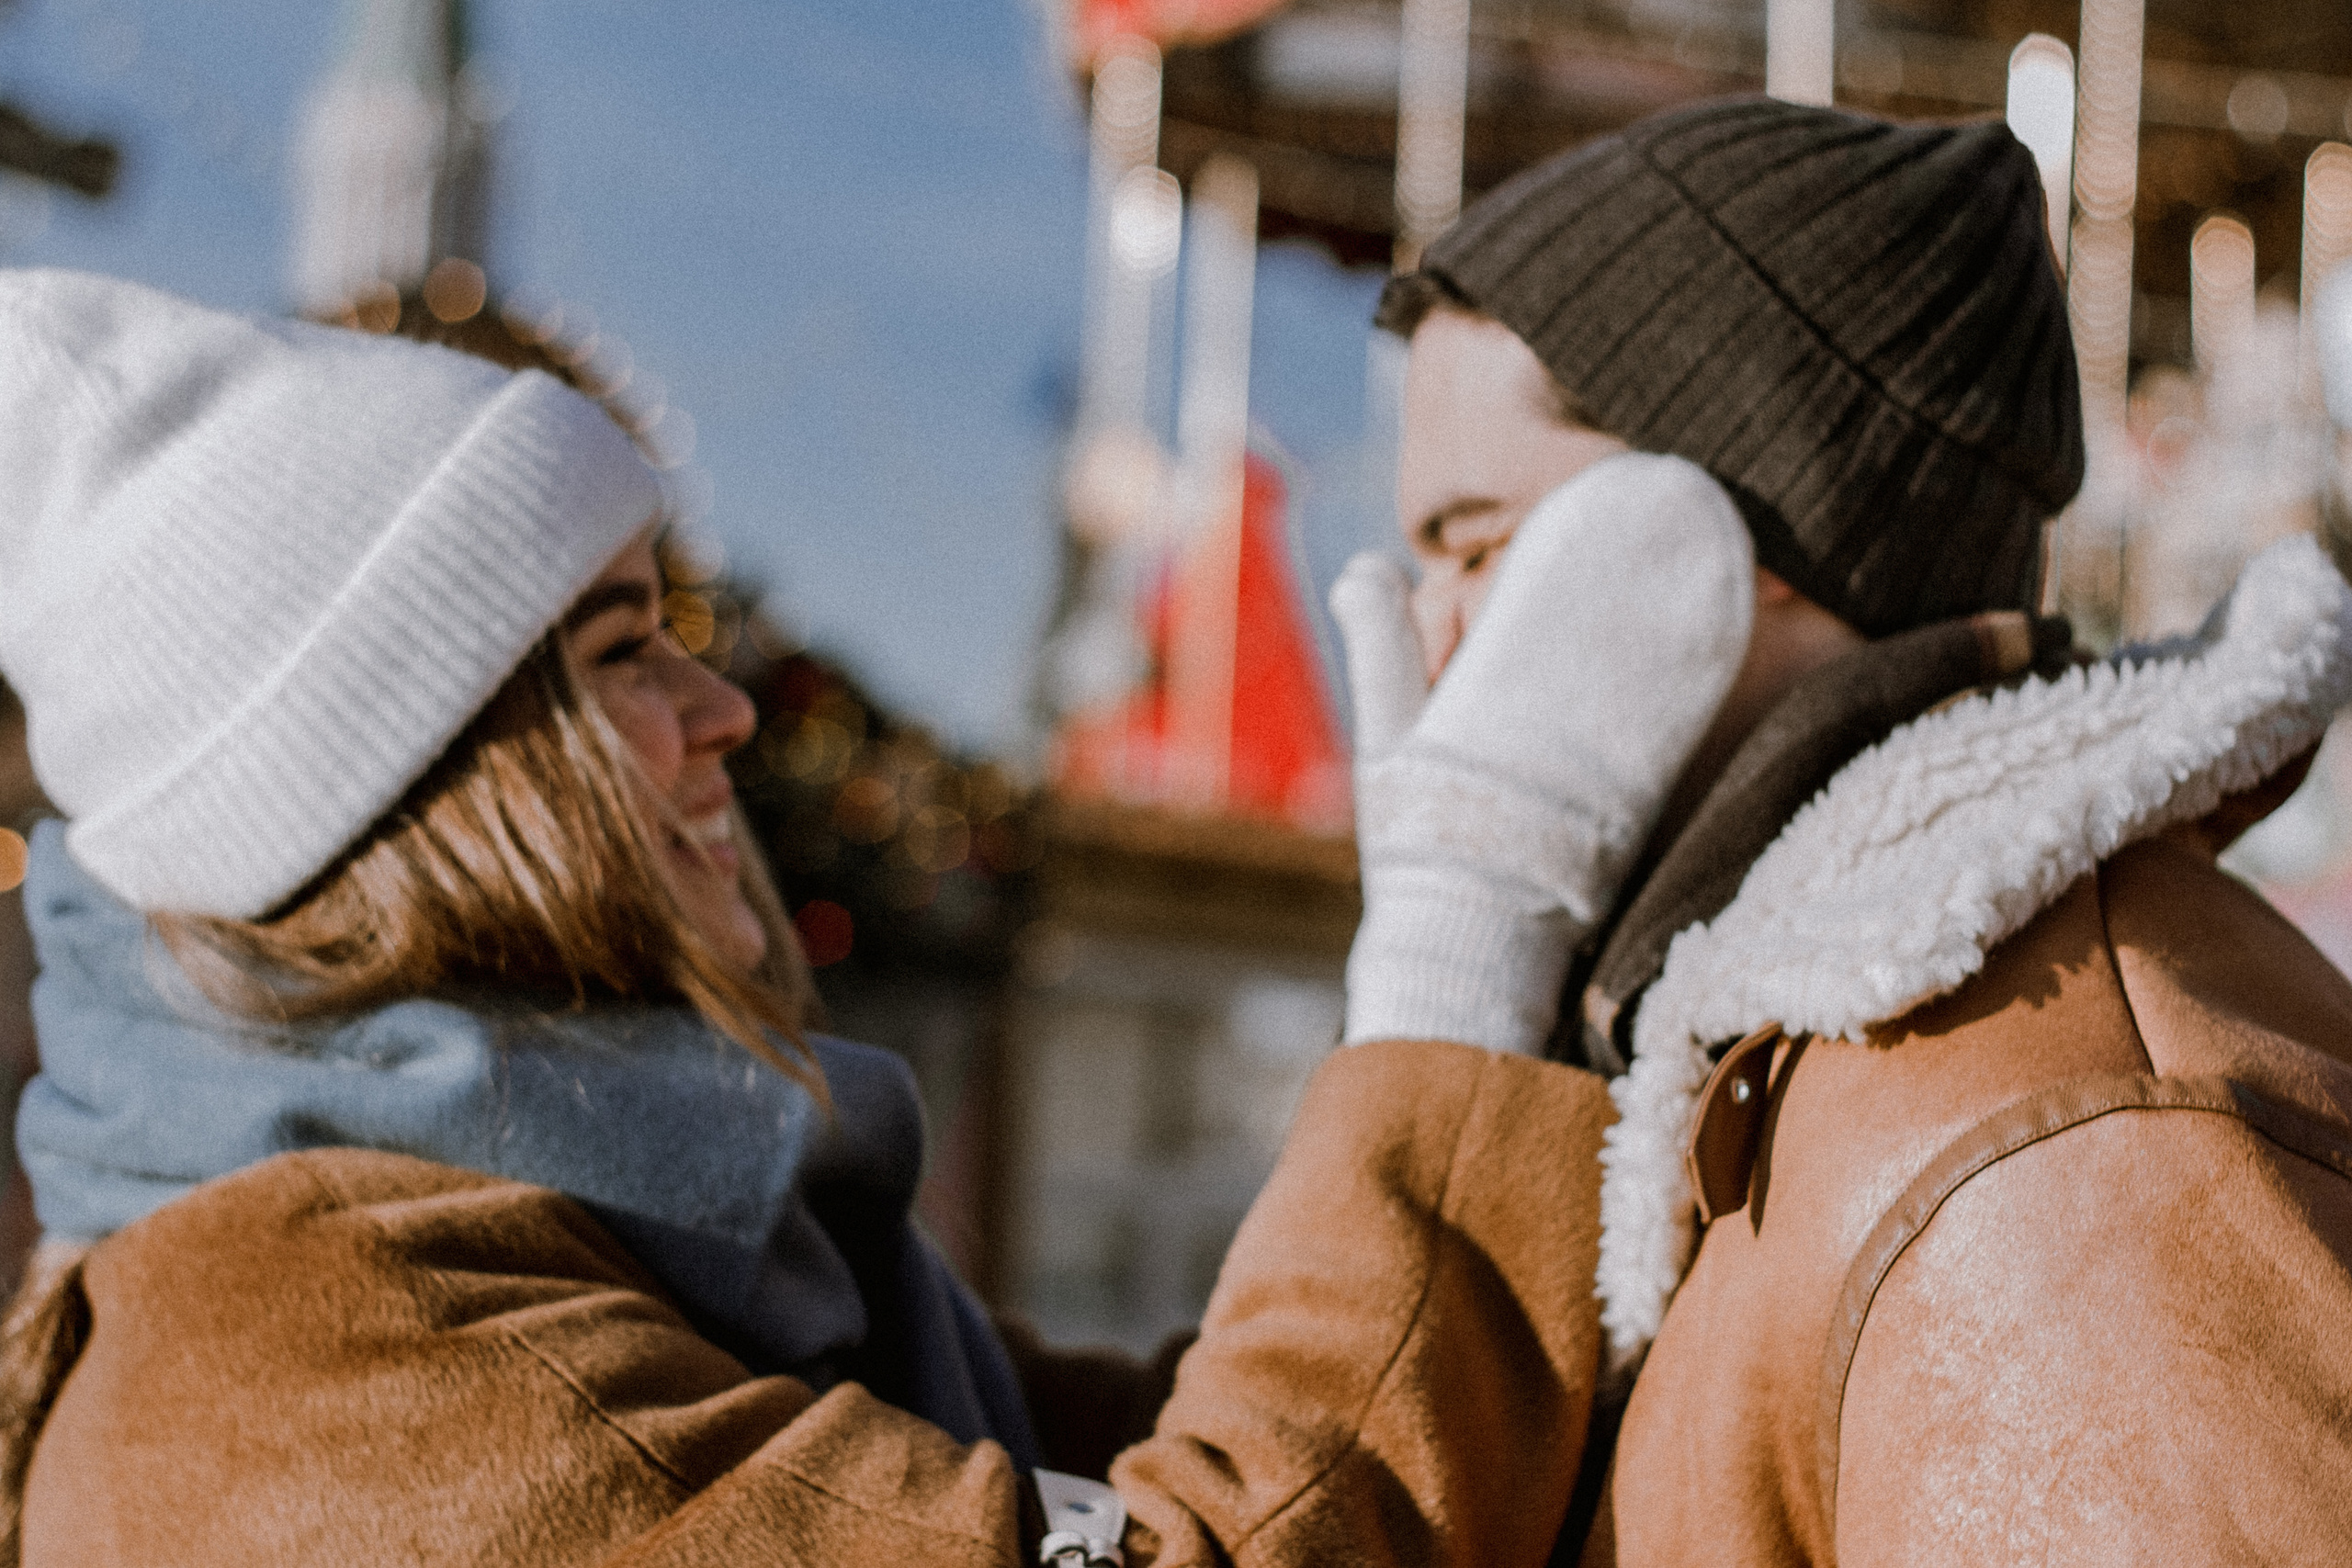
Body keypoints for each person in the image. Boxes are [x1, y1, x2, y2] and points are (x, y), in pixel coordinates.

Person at [0, 265, 1666, 1568]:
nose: (719, 709)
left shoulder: (608, 1207)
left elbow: (1152, 1444)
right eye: (617, 654)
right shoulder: (346, 1353)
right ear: (418, 782)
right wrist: (1458, 962)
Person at [1329, 95, 2352, 1562]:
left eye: (1479, 548)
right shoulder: (1785, 1061)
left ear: (1744, 538)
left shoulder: (2045, 1164)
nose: (1429, 646)